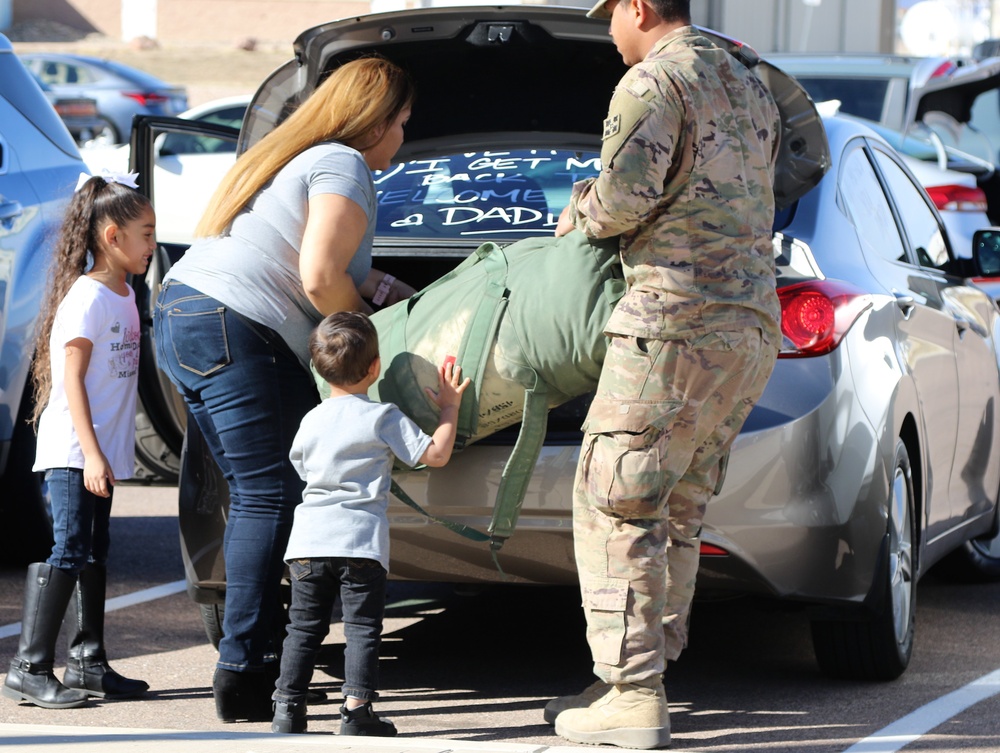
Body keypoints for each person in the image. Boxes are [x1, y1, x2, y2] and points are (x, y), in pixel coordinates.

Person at [152, 56, 418, 723]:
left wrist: (385, 287)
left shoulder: (295, 157)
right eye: (405, 124)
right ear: (377, 121)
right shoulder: (343, 162)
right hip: (239, 327)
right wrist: (370, 352)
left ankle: (260, 659)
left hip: (187, 311)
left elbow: (323, 259)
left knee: (257, 495)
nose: (404, 140)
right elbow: (322, 274)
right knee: (270, 496)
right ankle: (244, 669)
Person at [545, 0, 782, 748]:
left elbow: (622, 199)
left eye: (610, 13)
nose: (607, 29)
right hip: (745, 330)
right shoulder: (749, 79)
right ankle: (644, 676)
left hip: (672, 325)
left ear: (640, 7)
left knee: (617, 503)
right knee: (675, 505)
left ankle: (631, 692)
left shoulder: (654, 82)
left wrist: (575, 209)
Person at [270, 311, 470, 736]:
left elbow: (303, 468)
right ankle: (356, 712)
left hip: (308, 542)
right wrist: (449, 408)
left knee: (303, 628)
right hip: (360, 543)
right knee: (362, 628)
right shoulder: (382, 416)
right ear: (375, 368)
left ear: (320, 370)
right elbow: (434, 455)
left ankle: (287, 708)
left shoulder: (311, 418)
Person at [3, 173, 155, 710]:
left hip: (100, 454)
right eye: (146, 233)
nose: (153, 244)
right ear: (112, 237)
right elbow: (71, 381)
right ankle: (28, 667)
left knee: (95, 551)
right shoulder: (87, 297)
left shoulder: (126, 292)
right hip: (74, 451)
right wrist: (91, 453)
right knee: (68, 548)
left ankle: (89, 662)